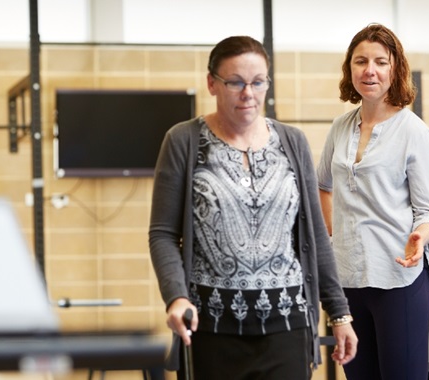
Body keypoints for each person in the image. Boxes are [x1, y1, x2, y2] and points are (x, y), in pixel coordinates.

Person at [149, 35, 357, 380]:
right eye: (236, 82)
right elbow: (163, 234)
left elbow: (316, 234)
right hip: (212, 326)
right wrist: (175, 297)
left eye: (258, 82)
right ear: (212, 84)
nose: (249, 93)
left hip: (287, 324)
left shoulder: (292, 142)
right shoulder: (183, 141)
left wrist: (339, 313)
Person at [317, 24, 429, 380]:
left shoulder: (414, 132)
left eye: (379, 62)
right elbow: (321, 185)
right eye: (360, 61)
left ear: (395, 69)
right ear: (350, 69)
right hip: (348, 279)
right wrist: (331, 238)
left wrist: (422, 235)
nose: (369, 70)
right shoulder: (340, 127)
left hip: (398, 279)